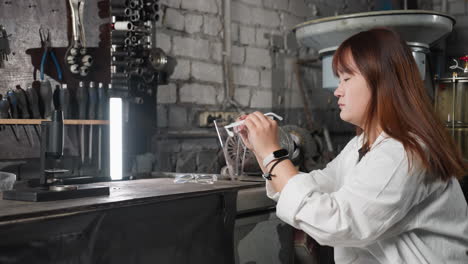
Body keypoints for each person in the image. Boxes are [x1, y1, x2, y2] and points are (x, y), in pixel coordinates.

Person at [237, 28, 468, 263]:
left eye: (346, 78)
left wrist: (272, 153)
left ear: (382, 80)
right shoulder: (362, 144)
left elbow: (337, 223)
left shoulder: (403, 151)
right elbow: (315, 187)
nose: (337, 91)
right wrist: (260, 150)